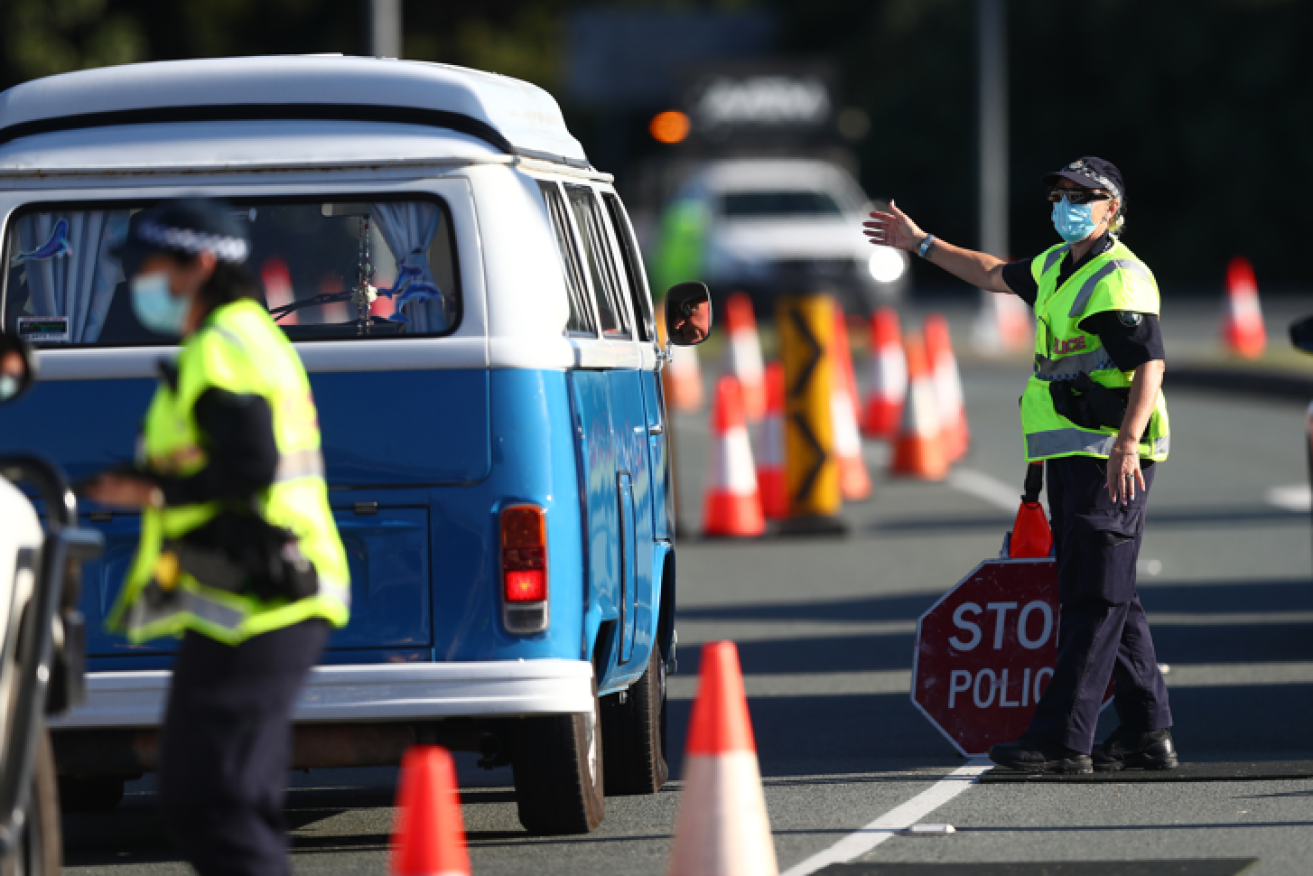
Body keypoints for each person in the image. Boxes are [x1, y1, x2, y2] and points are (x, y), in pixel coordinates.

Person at [864, 157, 1176, 775]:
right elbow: (992, 273)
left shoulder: (1118, 277)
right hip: (1071, 452)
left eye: (1082, 195)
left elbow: (1150, 365)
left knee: (1094, 598)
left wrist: (1125, 445)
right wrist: (921, 243)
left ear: (1113, 208)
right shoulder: (1059, 266)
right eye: (1061, 193)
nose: (1067, 203)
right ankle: (1146, 730)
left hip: (1108, 456)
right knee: (1111, 594)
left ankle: (1063, 740)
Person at [85, 199, 350, 874]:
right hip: (250, 599)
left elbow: (250, 462)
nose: (133, 282)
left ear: (199, 264)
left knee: (213, 803)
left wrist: (151, 492)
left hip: (263, 600)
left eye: (145, 267)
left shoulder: (223, 347)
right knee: (227, 798)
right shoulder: (243, 336)